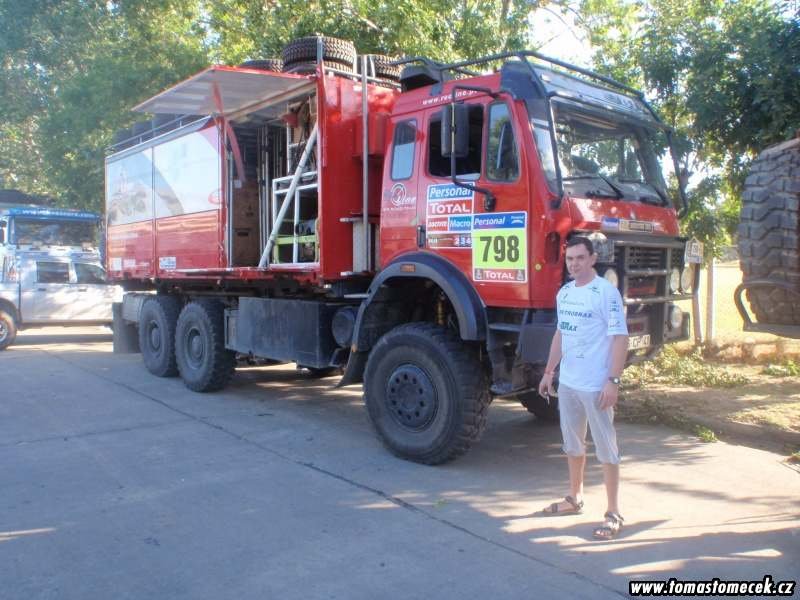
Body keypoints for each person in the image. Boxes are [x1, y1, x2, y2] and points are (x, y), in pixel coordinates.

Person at [538, 236, 629, 540]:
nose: (574, 264)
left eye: (580, 258)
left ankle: (614, 512)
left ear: (592, 259)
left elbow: (620, 338)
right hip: (569, 384)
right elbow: (560, 335)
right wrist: (549, 372)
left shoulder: (606, 293)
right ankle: (574, 498)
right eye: (570, 259)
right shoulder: (564, 293)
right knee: (572, 445)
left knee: (607, 449)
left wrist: (612, 381)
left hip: (595, 386)